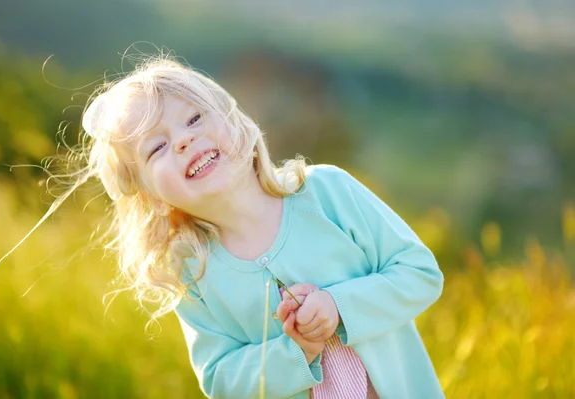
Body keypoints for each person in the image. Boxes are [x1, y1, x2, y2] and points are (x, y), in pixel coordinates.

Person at [48, 54, 446, 398]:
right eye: (157, 147)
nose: (184, 140)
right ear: (151, 196)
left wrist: (338, 307)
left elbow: (419, 273)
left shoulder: (326, 191)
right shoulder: (192, 269)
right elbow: (219, 378)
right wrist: (296, 351)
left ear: (234, 120)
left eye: (194, 118)